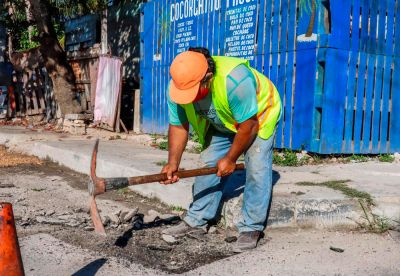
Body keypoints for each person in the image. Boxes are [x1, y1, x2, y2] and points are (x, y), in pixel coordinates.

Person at [161, 47, 281, 252]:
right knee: (208, 162)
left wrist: (231, 158)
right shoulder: (178, 86)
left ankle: (252, 227)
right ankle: (198, 218)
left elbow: (248, 126)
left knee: (257, 168)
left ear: (208, 77)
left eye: (193, 92)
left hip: (258, 117)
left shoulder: (234, 80)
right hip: (223, 121)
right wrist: (173, 163)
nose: (189, 98)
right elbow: (179, 126)